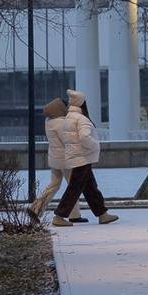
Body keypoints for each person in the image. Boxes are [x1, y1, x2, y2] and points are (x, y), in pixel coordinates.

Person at [52, 89, 119, 227]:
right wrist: (95, 146)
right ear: (82, 103)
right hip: (83, 157)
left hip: (76, 156)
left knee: (90, 188)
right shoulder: (82, 119)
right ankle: (59, 216)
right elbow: (84, 137)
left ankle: (102, 214)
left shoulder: (68, 117)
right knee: (75, 188)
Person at [26, 98, 87, 223]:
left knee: (54, 184)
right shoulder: (61, 123)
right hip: (65, 159)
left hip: (55, 159)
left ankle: (36, 208)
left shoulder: (49, 121)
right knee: (73, 186)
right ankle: (73, 215)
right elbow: (68, 141)